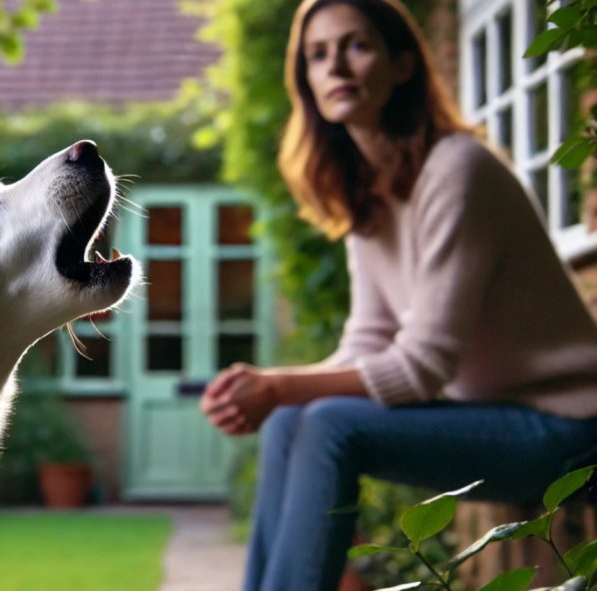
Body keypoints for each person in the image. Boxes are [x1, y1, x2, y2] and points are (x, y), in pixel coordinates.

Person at [199, 0, 597, 589]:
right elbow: (366, 343)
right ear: (306, 80)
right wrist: (273, 389)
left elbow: (422, 367)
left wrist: (280, 384)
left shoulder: (456, 169)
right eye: (318, 54)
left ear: (404, 64)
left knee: (330, 422)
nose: (336, 66)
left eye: (356, 46)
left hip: (571, 428)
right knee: (290, 421)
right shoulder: (371, 196)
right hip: (494, 418)